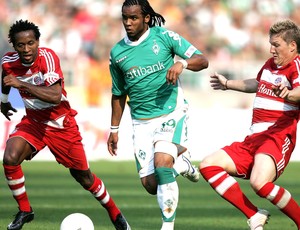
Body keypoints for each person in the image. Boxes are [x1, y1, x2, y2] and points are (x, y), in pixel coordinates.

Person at [0, 19, 131, 230]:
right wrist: (4, 102)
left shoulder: (48, 58)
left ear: (38, 42)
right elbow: (6, 75)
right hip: (34, 121)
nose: (26, 49)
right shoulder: (8, 61)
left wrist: (21, 83)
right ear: (14, 46)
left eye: (31, 43)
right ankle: (25, 211)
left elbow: (55, 95)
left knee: (84, 177)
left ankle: (115, 213)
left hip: (61, 123)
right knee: (10, 157)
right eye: (21, 45)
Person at [107, 1, 208, 229]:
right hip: (141, 122)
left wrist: (181, 63)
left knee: (163, 165)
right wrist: (114, 130)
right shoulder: (117, 53)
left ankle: (167, 226)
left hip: (171, 111)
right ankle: (181, 164)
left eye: (133, 18)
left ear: (146, 18)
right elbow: (118, 93)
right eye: (125, 17)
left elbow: (203, 60)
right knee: (152, 184)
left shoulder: (165, 37)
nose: (128, 23)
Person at [199, 19, 300, 230]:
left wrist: (289, 94)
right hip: (254, 138)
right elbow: (257, 82)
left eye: (276, 44)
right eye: (270, 43)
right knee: (208, 165)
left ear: (292, 46)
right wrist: (228, 84)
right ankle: (253, 214)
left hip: (277, 135)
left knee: (259, 183)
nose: (271, 49)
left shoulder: (296, 66)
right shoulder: (270, 65)